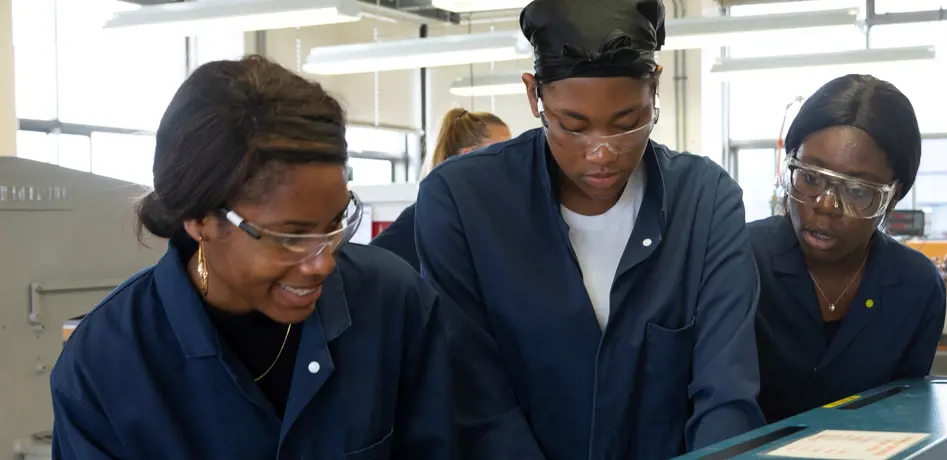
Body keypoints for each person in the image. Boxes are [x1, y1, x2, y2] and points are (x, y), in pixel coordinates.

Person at [49, 56, 453, 459]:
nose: (323, 262)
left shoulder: (394, 304)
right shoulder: (104, 364)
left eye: (335, 223)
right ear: (199, 219)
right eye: (290, 237)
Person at [414, 0, 765, 458]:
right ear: (533, 96)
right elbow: (479, 404)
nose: (601, 154)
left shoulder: (705, 201)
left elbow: (726, 395)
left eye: (628, 124)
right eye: (572, 126)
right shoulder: (463, 202)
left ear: (656, 85)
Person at [750, 74, 946, 423]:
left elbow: (905, 416)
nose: (826, 205)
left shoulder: (916, 287)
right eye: (810, 177)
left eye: (856, 191)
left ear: (894, 195)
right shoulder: (739, 260)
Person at [371, 107, 510, 270]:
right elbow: (369, 269)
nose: (509, 165)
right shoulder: (424, 215)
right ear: (466, 158)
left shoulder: (485, 217)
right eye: (499, 155)